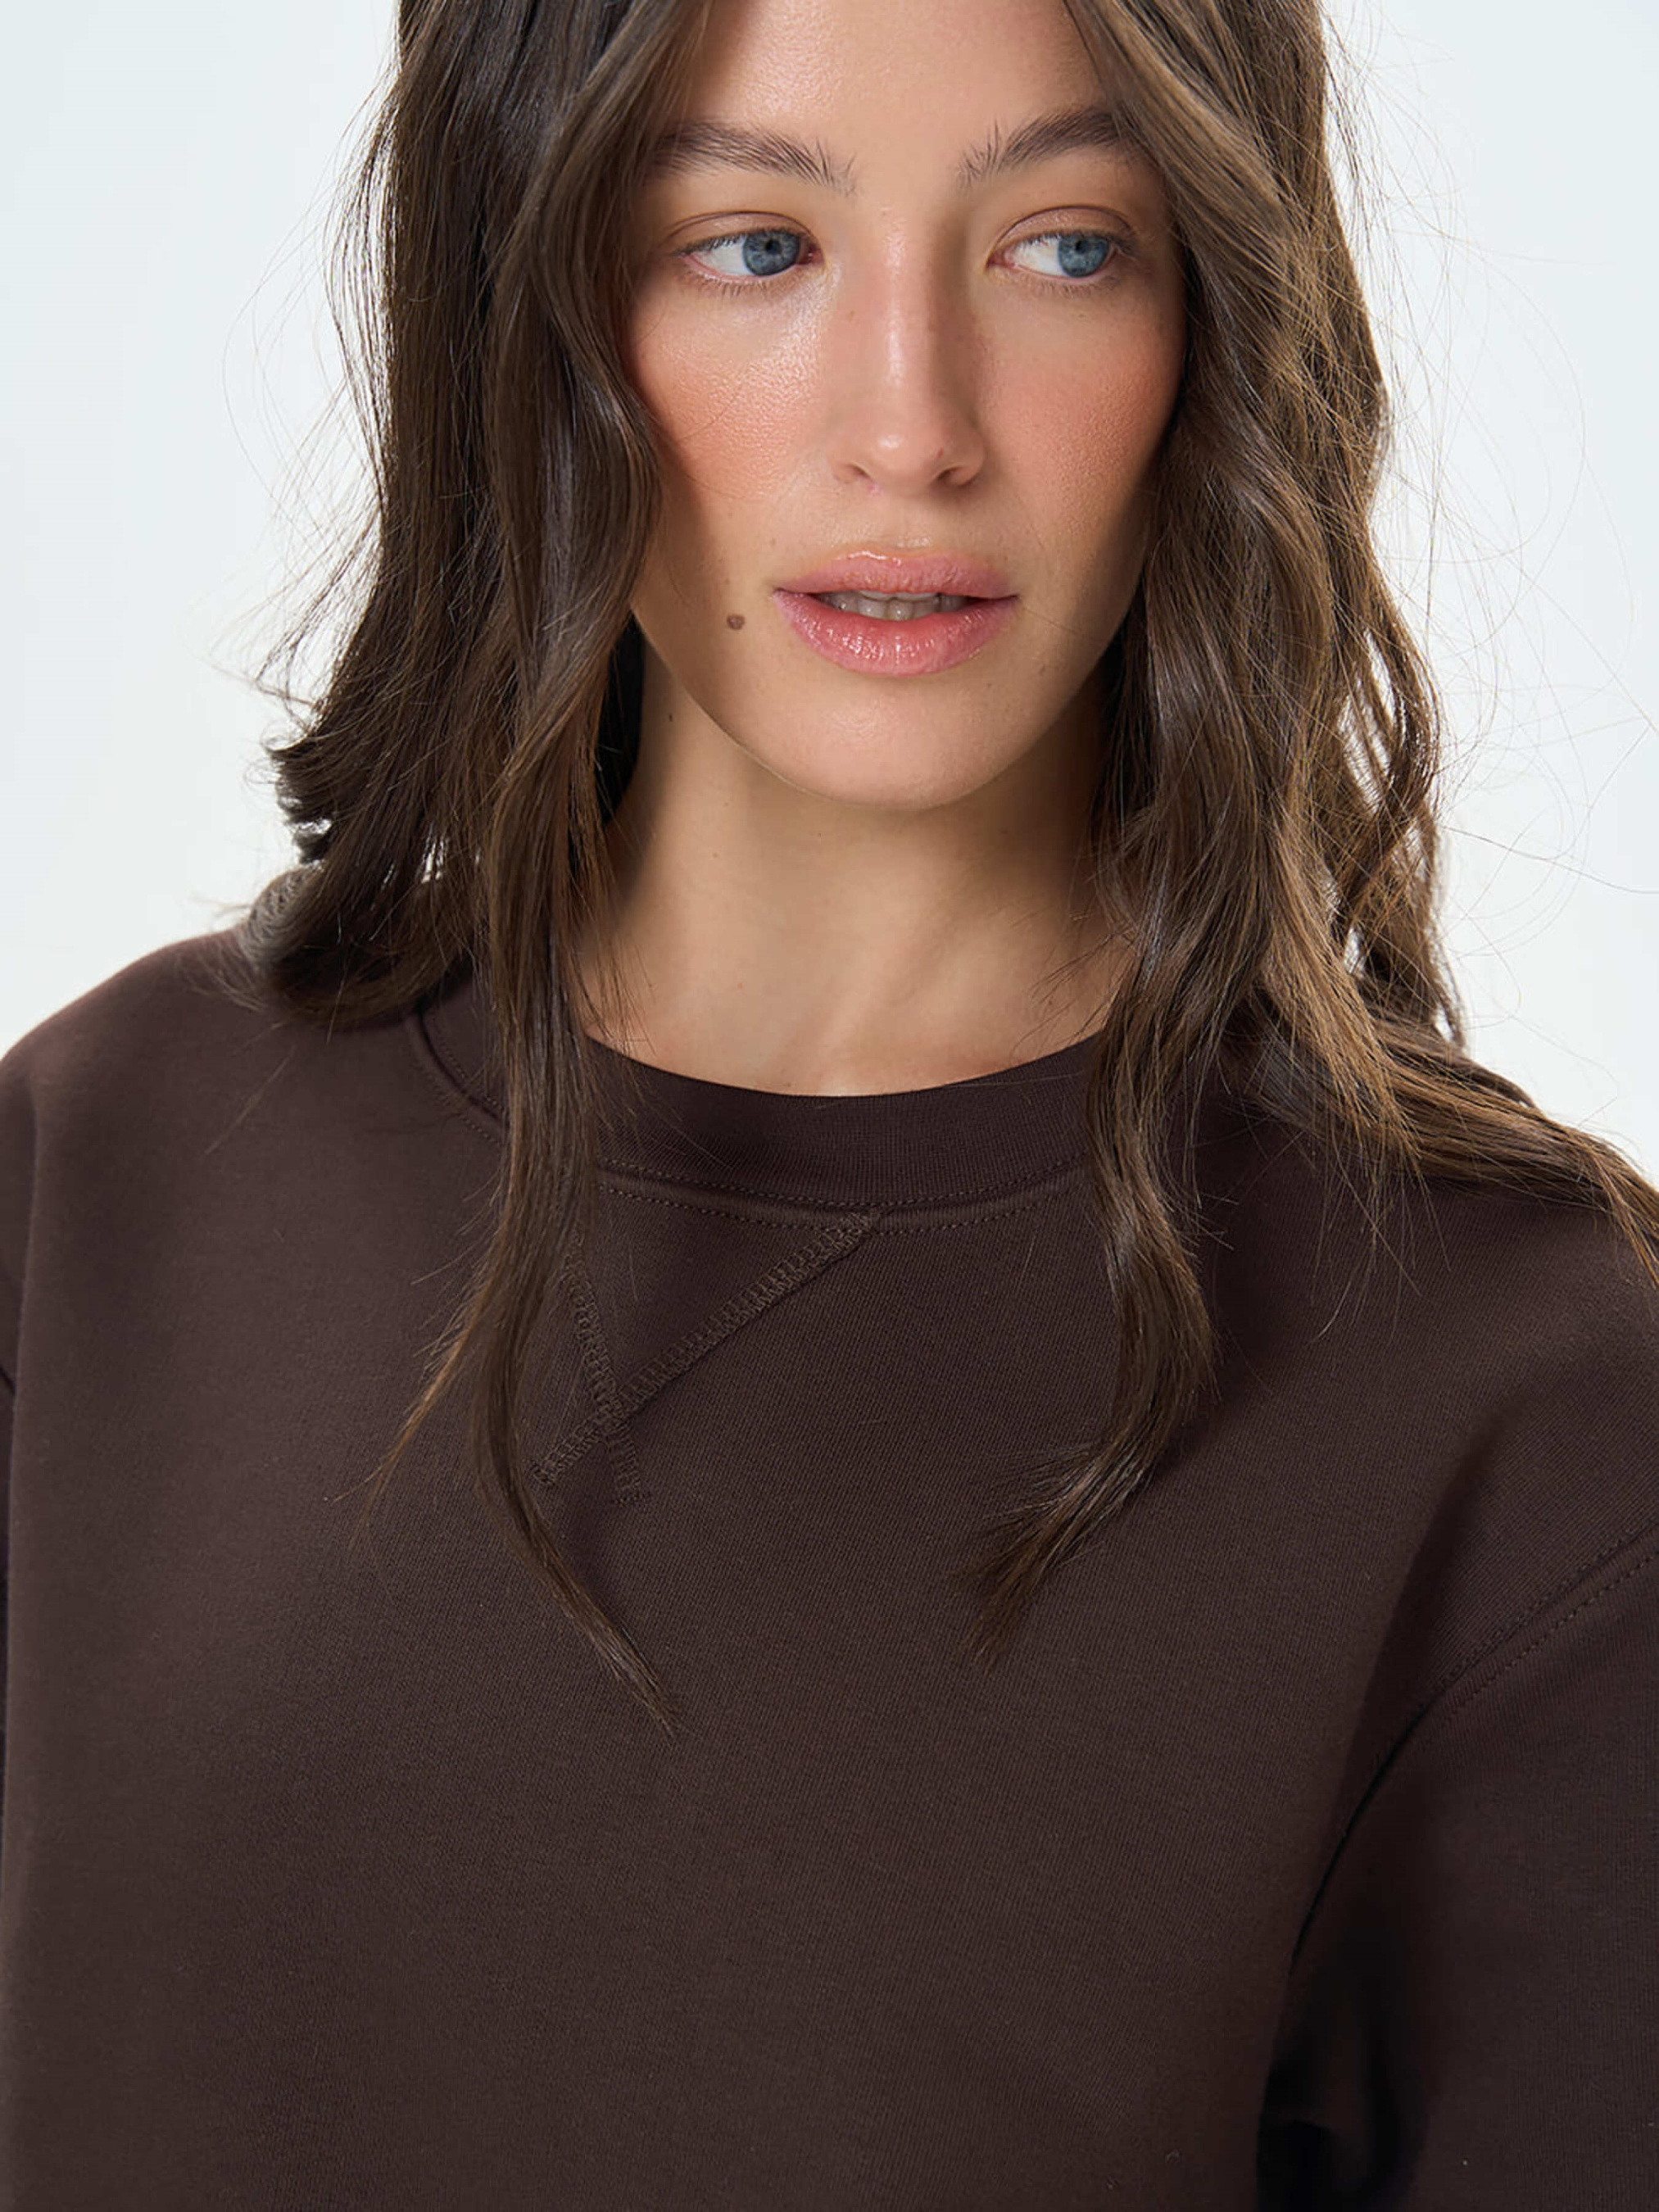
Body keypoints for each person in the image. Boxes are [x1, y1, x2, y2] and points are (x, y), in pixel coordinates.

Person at [1, 0, 1655, 2202]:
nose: (914, 427)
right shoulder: (100, 1178)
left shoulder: (1527, 1396)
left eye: (1065, 247)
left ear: (1215, 328)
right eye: (754, 246)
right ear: (527, 301)